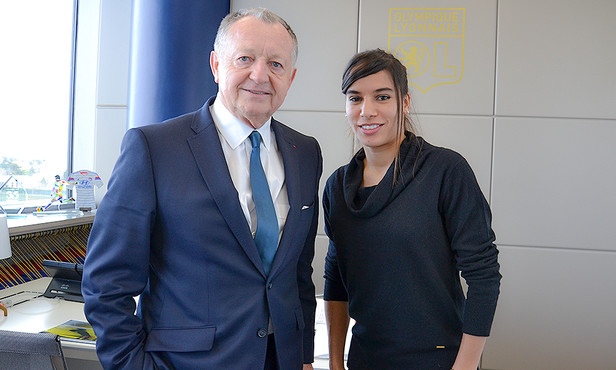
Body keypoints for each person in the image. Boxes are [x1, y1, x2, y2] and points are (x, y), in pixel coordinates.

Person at [82, 8, 321, 369]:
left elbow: (298, 271)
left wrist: (303, 355)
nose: (260, 74)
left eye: (276, 64)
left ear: (291, 77)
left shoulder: (304, 152)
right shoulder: (154, 148)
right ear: (215, 65)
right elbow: (106, 284)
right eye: (245, 58)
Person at [323, 49, 501, 369]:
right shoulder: (337, 187)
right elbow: (335, 278)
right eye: (355, 98)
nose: (367, 111)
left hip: (439, 359)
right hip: (365, 359)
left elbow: (484, 276)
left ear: (404, 103)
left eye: (381, 97)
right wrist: (336, 363)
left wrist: (465, 366)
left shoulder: (445, 171)